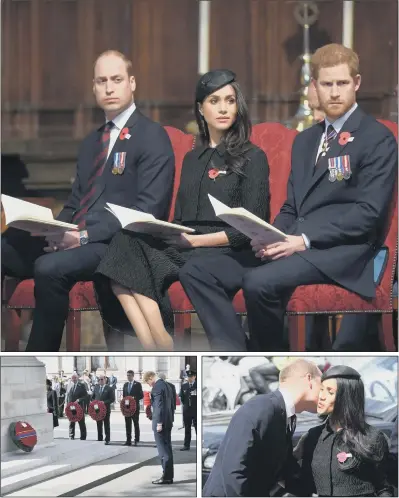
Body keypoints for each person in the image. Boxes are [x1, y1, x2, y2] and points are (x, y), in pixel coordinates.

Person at [180, 44, 398, 351]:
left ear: (357, 83)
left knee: (259, 282)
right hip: (293, 243)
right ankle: (235, 350)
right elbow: (292, 205)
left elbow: (369, 214)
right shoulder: (306, 140)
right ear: (315, 87)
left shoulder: (378, 139)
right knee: (197, 270)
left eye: (342, 83)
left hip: (343, 252)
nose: (334, 92)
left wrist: (303, 240)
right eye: (327, 84)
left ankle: (266, 356)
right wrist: (271, 235)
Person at [1, 49, 175, 352]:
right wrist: (53, 229)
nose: (109, 88)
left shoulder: (152, 136)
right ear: (94, 87)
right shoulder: (91, 142)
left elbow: (147, 211)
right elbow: (76, 202)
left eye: (117, 80)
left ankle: (36, 361)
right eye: (102, 81)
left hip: (116, 245)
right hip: (76, 236)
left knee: (48, 267)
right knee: (5, 247)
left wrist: (81, 237)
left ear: (132, 83)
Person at [94, 68, 269, 352]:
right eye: (214, 101)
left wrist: (196, 240)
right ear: (201, 109)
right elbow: (179, 218)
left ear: (239, 106)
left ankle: (159, 343)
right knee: (124, 243)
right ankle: (156, 341)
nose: (223, 108)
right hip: (186, 245)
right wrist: (163, 230)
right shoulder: (191, 159)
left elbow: (252, 228)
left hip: (228, 251)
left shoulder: (253, 157)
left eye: (230, 100)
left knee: (142, 261)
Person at [202, 359, 322, 497]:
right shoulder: (262, 407)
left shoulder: (286, 415)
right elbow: (234, 471)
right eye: (322, 385)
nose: (324, 394)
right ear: (309, 380)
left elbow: (285, 472)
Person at [294, 365, 393, 496]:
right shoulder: (312, 437)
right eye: (321, 390)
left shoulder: (372, 437)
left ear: (346, 397)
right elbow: (298, 483)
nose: (322, 396)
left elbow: (384, 487)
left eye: (330, 392)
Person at [143, 371, 175, 485]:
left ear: (151, 377)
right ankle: (169, 476)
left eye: (148, 382)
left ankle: (166, 476)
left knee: (163, 451)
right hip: (168, 421)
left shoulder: (156, 387)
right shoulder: (167, 386)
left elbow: (158, 406)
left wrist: (159, 423)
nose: (149, 384)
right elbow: (172, 405)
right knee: (168, 449)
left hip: (161, 422)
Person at [122, 370, 143, 446]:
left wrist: (134, 398)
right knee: (127, 424)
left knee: (135, 424)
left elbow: (141, 395)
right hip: (127, 409)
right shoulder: (125, 385)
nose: (128, 377)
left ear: (133, 376)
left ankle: (136, 440)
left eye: (129, 375)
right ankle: (128, 440)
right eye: (127, 375)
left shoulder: (137, 384)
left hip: (135, 408)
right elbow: (124, 396)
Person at [92, 374, 115, 445]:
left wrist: (104, 402)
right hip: (97, 410)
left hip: (106, 409)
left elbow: (112, 399)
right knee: (99, 424)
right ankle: (100, 438)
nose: (100, 381)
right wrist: (94, 402)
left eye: (101, 379)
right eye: (99, 379)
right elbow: (93, 397)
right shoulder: (96, 387)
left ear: (105, 380)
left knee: (106, 424)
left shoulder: (109, 388)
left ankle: (107, 439)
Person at [179, 370, 197, 451]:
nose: (190, 378)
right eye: (188, 377)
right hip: (187, 411)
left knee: (197, 428)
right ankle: (186, 445)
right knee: (187, 428)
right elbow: (182, 398)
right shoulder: (184, 386)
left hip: (196, 410)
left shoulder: (198, 385)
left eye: (191, 377)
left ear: (194, 377)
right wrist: (186, 405)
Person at [67, 373, 87, 440]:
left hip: (79, 407)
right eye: (72, 378)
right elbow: (68, 397)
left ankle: (83, 436)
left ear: (77, 378)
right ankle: (71, 435)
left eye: (74, 378)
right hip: (72, 407)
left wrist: (79, 400)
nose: (73, 379)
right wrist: (67, 405)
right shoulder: (69, 385)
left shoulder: (81, 385)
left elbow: (85, 396)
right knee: (71, 421)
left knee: (81, 422)